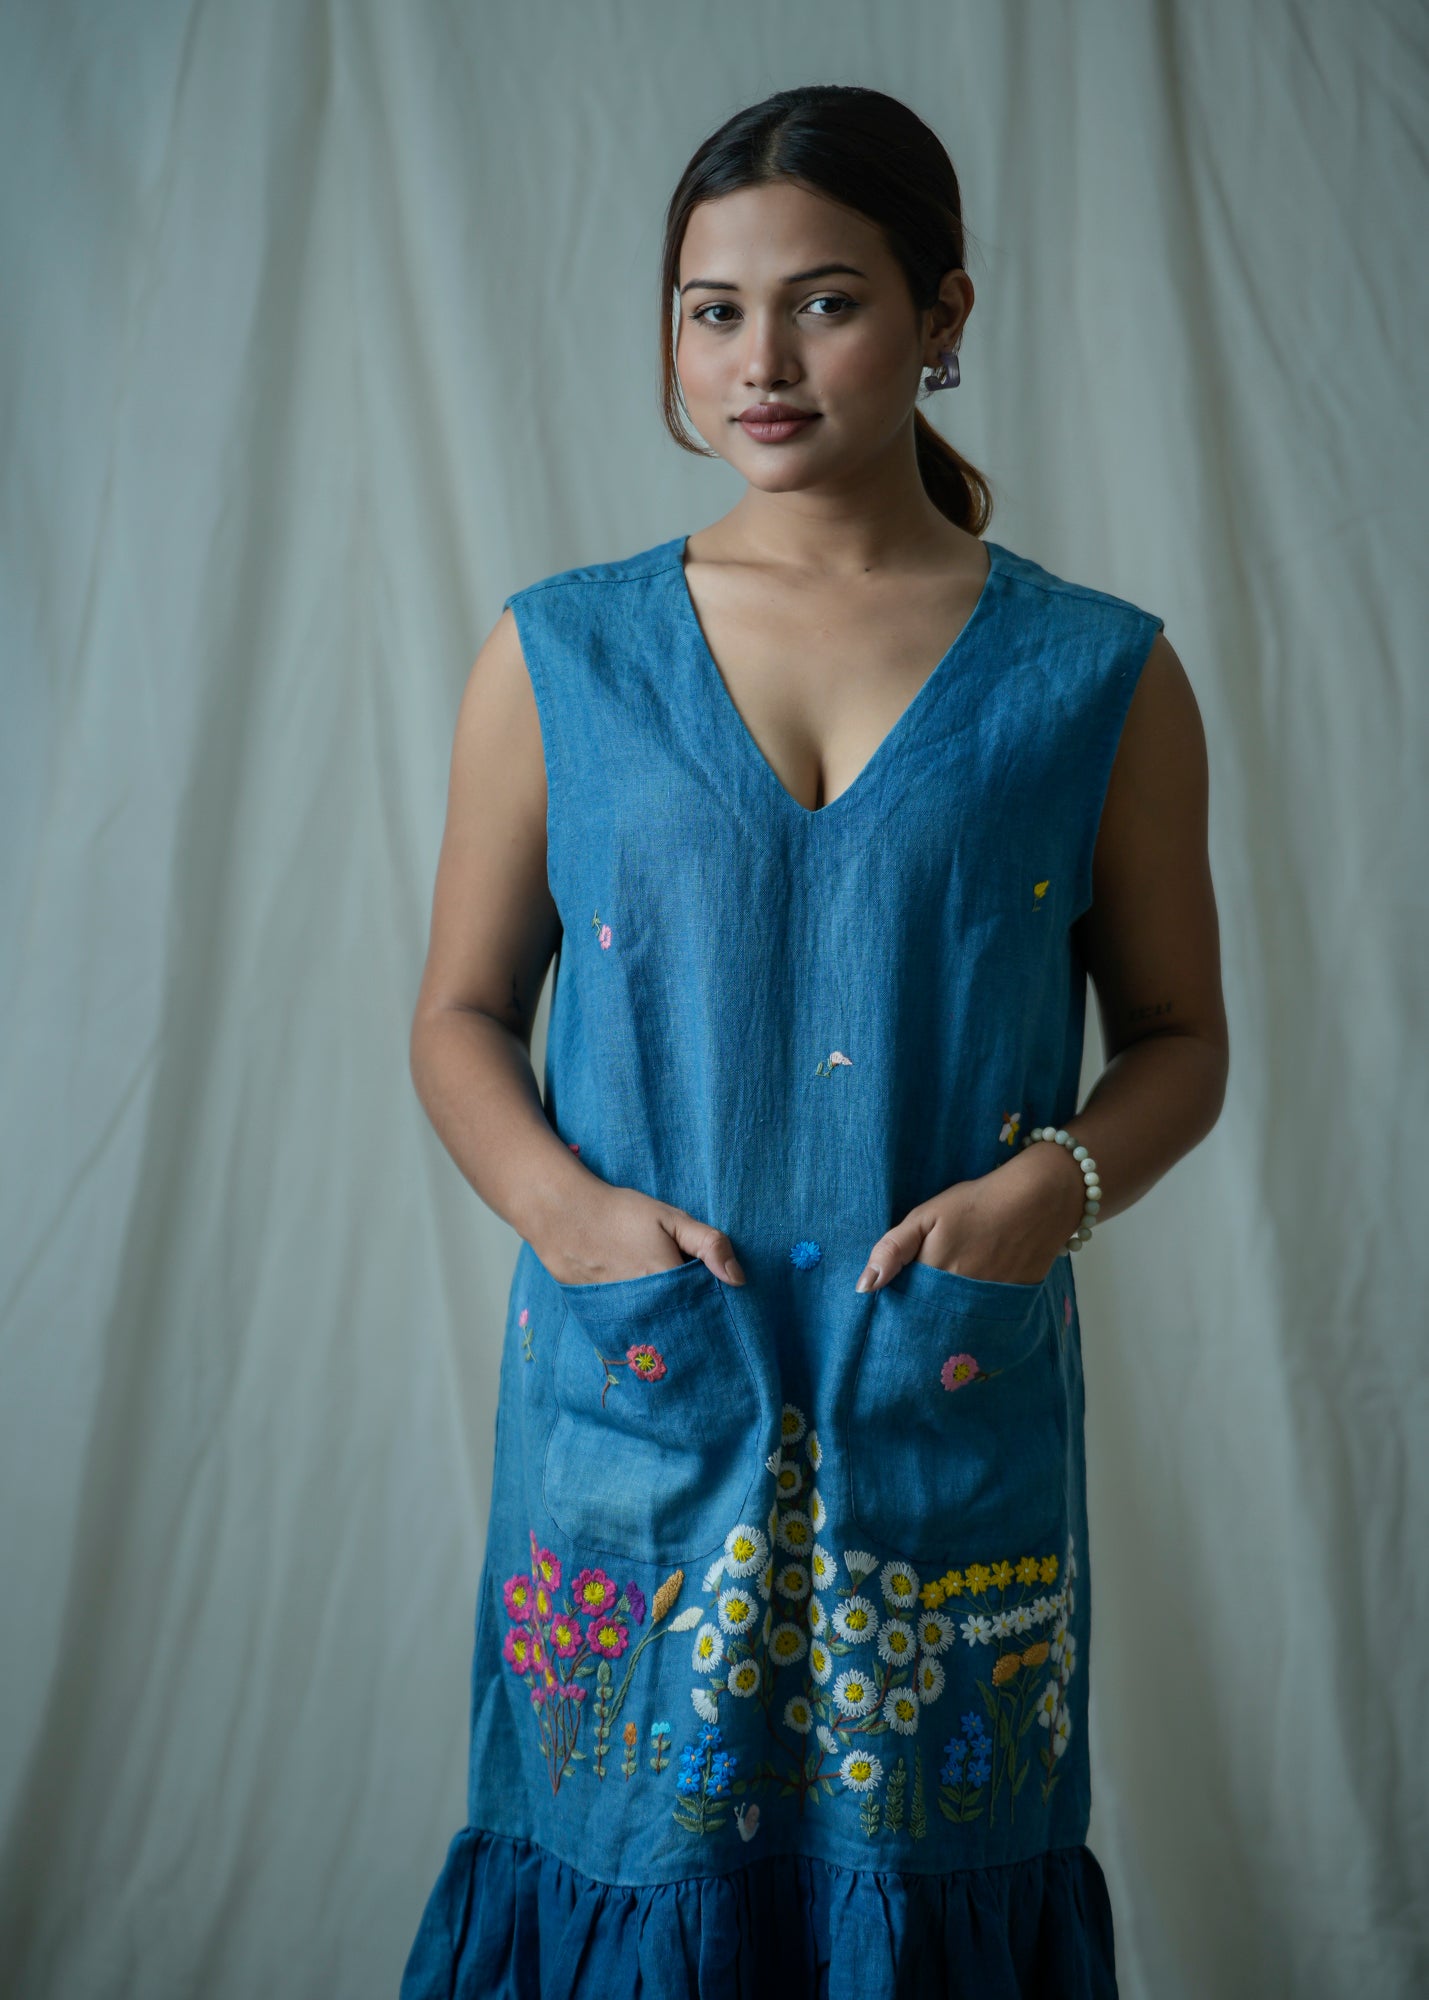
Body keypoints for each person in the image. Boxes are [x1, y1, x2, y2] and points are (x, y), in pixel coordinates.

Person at [399, 82, 1228, 2000]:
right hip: (634, 1395)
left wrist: (1051, 1192)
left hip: (937, 1395)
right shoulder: (562, 654)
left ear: (942, 316)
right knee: (625, 1877)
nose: (757, 362)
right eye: (712, 310)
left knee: (926, 1890)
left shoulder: (1094, 673)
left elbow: (1181, 1037)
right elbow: (458, 1013)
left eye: (824, 303)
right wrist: (569, 1218)